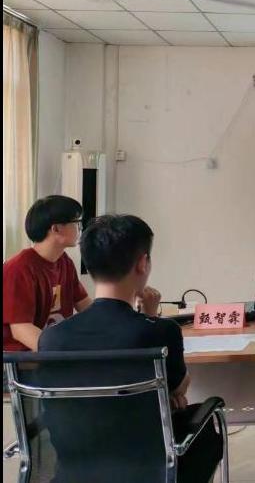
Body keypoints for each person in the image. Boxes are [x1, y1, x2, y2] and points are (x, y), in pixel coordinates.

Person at [39, 215, 222, 483]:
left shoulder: (51, 339)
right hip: (150, 469)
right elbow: (179, 388)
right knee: (203, 428)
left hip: (74, 471)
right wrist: (150, 317)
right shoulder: (161, 331)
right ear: (142, 263)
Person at [3, 195, 91, 352]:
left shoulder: (65, 262)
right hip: (24, 359)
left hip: (52, 354)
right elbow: (21, 329)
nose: (81, 227)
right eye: (76, 222)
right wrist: (63, 355)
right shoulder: (19, 268)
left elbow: (86, 307)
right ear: (56, 229)